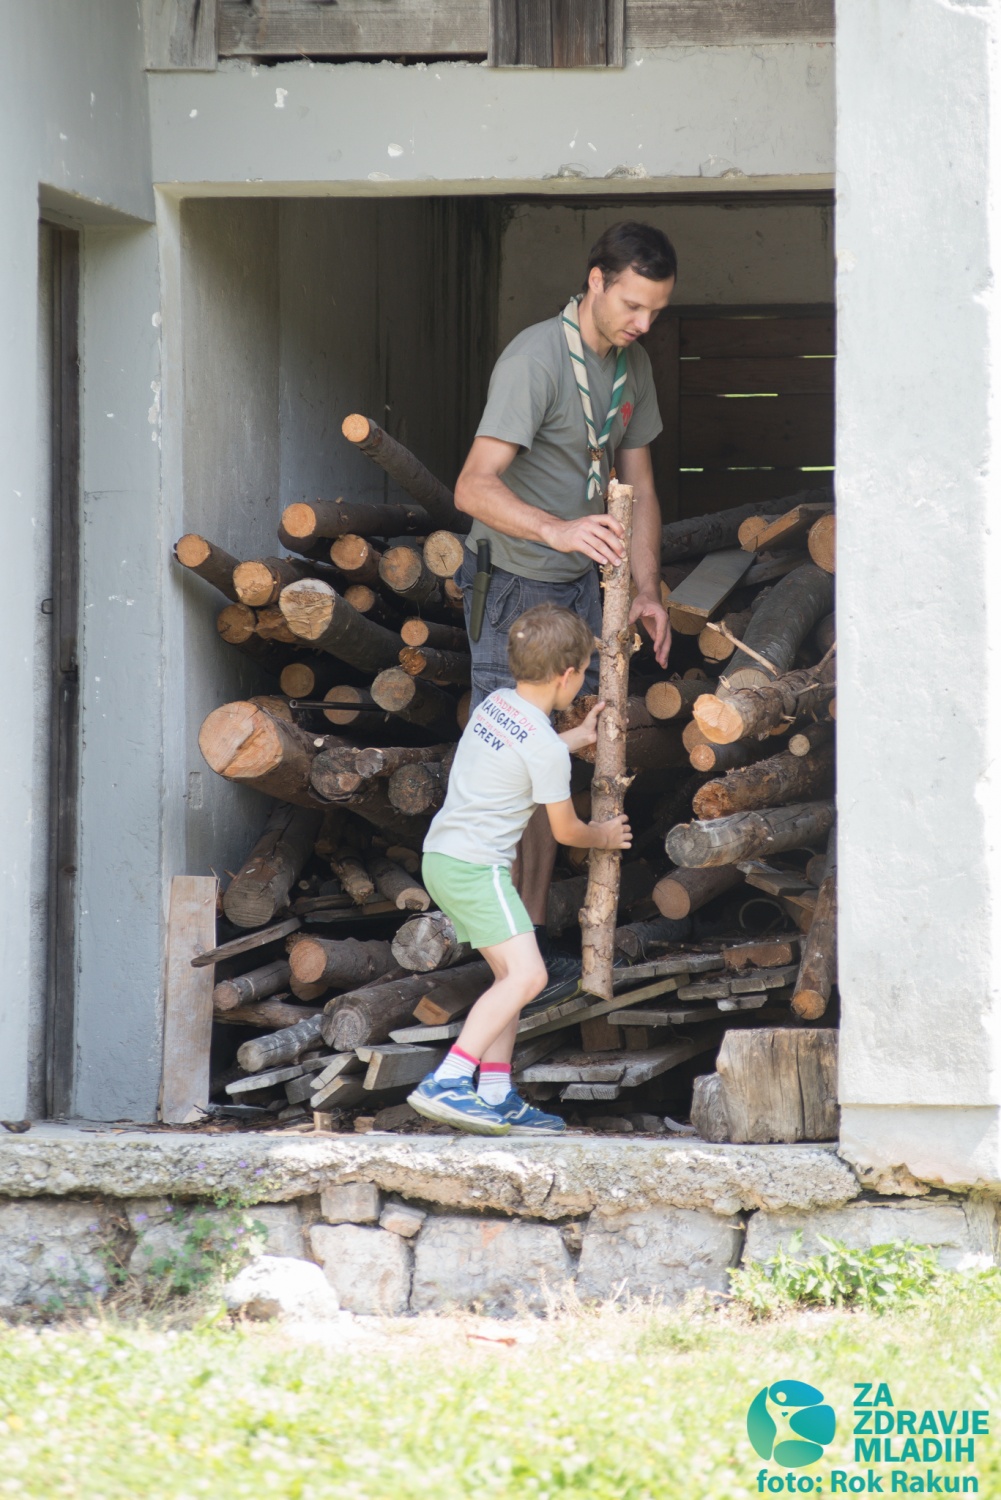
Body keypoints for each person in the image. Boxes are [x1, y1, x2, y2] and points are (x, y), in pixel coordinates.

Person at [453, 219, 676, 930]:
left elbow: (636, 480)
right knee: (514, 768)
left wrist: (645, 591)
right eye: (631, 305)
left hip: (583, 584)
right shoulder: (535, 360)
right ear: (595, 283)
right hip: (514, 586)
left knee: (554, 765)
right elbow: (472, 487)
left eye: (655, 311)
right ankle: (501, 940)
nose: (643, 323)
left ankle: (533, 929)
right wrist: (557, 528)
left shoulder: (629, 364)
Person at [407, 603, 632, 1135]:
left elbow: (523, 753)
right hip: (476, 868)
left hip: (444, 857)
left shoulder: (497, 706)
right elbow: (567, 831)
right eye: (583, 676)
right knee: (530, 975)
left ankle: (495, 1092)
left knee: (510, 976)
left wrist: (573, 740)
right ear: (568, 674)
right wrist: (606, 835)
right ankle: (447, 1081)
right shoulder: (543, 750)